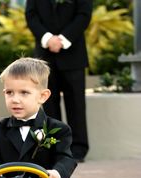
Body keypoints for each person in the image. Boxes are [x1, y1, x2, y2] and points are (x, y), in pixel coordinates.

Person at [25, 0, 93, 162]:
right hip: (44, 55)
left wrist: (63, 39)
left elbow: (83, 15)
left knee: (76, 103)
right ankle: (53, 148)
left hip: (73, 54)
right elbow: (31, 15)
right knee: (47, 104)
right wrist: (47, 39)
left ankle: (78, 148)